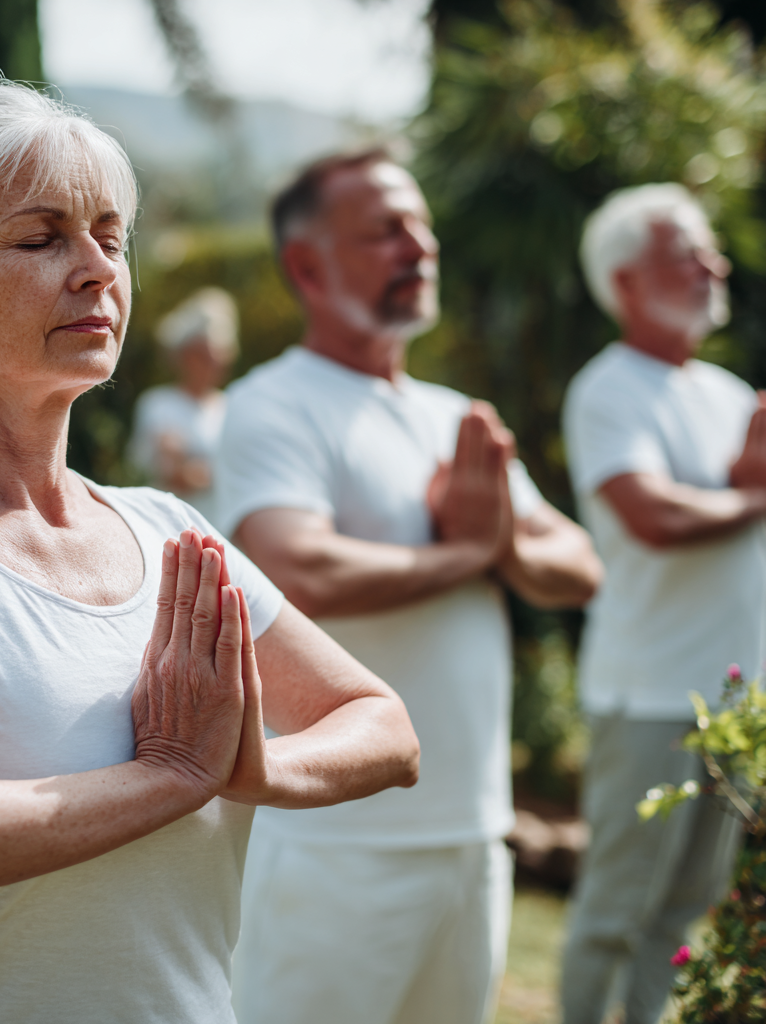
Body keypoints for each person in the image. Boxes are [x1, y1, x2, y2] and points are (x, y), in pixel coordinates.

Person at [0, 81, 419, 1024]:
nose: (97, 269)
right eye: (40, 239)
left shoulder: (168, 533)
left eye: (111, 236)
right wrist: (164, 779)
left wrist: (250, 769)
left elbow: (384, 726)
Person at [216, 149, 602, 1024]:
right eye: (385, 229)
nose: (418, 245)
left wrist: (492, 540)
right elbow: (296, 567)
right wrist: (473, 554)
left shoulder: (452, 416)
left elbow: (579, 566)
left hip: (473, 839)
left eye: (420, 225)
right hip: (336, 845)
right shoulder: (274, 404)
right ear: (308, 266)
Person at [560, 183, 766, 1024]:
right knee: (616, 914)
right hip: (648, 695)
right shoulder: (609, 389)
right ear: (628, 282)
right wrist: (755, 492)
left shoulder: (723, 390)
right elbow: (653, 515)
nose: (714, 265)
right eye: (687, 253)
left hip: (733, 702)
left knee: (686, 914)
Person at [129, 287, 239, 522]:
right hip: (172, 524)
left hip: (222, 526)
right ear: (185, 356)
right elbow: (173, 474)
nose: (213, 365)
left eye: (218, 357)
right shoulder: (158, 404)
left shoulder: (231, 405)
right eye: (204, 356)